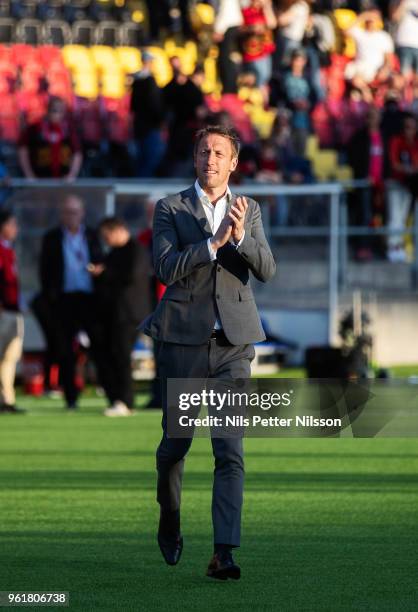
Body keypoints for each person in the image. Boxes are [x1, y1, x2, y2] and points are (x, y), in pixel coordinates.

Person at [142, 125, 276, 579]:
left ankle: (224, 552)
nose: (211, 159)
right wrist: (211, 244)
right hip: (182, 344)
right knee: (175, 447)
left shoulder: (249, 209)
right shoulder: (170, 208)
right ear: (194, 159)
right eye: (204, 151)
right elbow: (164, 268)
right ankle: (170, 516)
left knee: (229, 449)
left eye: (220, 152)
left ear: (234, 162)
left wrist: (239, 238)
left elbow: (268, 270)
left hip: (233, 348)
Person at [39, 194, 104, 409]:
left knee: (99, 345)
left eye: (75, 212)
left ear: (82, 213)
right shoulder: (52, 237)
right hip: (63, 300)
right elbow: (45, 271)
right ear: (61, 214)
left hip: (89, 298)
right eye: (67, 212)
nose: (72, 216)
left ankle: (110, 392)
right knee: (65, 350)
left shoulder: (92, 235)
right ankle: (71, 397)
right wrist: (51, 297)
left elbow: (101, 261)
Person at [90, 217, 152, 417]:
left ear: (117, 230)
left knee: (122, 357)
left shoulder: (136, 250)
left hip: (129, 315)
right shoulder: (114, 253)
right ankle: (116, 398)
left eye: (106, 235)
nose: (105, 240)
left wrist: (104, 273)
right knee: (112, 355)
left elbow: (129, 277)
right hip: (113, 314)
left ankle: (125, 401)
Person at [18, 97, 82, 180]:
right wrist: (29, 175)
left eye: (60, 110)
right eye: (54, 109)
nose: (57, 113)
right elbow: (23, 150)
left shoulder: (69, 130)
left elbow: (77, 153)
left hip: (63, 181)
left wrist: (71, 176)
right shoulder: (35, 128)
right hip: (40, 179)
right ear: (48, 109)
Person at [0, 211, 24, 414]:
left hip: (13, 310)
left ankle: (7, 399)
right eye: (12, 224)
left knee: (10, 357)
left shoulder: (9, 250)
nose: (15, 229)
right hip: (3, 310)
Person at [386, 113, 418, 261]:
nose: (409, 131)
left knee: (404, 216)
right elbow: (394, 164)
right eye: (406, 127)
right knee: (395, 216)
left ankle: (402, 246)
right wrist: (408, 169)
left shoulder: (416, 143)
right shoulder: (396, 141)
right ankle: (393, 247)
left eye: (412, 127)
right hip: (395, 183)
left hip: (410, 186)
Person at [130, 51, 166, 177]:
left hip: (140, 125)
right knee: (150, 158)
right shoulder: (149, 81)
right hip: (150, 126)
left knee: (142, 158)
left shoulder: (136, 80)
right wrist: (161, 120)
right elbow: (154, 104)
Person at [390, 0, 418, 79]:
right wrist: (403, 3)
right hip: (404, 42)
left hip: (416, 44)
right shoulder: (400, 2)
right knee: (404, 75)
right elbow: (395, 17)